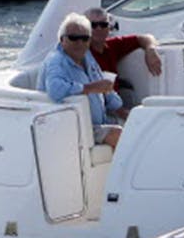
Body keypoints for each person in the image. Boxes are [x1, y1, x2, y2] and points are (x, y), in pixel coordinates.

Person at [38, 12, 127, 148]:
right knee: (118, 135)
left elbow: (104, 89)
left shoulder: (87, 58)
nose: (79, 43)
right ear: (62, 40)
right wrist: (89, 88)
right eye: (73, 38)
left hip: (99, 122)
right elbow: (55, 89)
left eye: (84, 38)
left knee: (138, 124)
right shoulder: (56, 61)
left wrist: (123, 111)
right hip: (72, 128)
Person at [82, 7, 162, 95]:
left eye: (103, 25)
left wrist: (150, 49)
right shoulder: (79, 53)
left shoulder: (112, 46)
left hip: (115, 103)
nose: (99, 29)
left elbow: (144, 38)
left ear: (109, 27)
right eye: (93, 25)